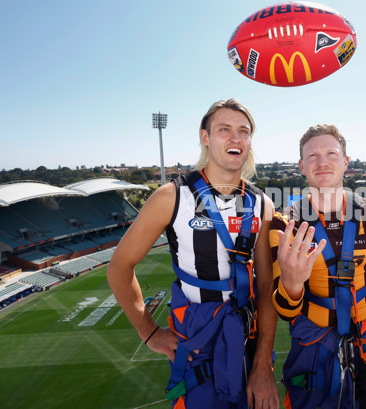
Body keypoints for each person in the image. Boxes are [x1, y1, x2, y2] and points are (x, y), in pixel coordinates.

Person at [107, 98, 279, 409]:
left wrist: (264, 365)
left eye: (244, 131)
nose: (235, 138)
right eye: (224, 129)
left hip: (246, 339)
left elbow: (266, 288)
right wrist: (149, 332)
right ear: (206, 137)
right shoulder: (171, 197)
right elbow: (119, 266)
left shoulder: (262, 203)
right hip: (197, 339)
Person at [270, 124, 366, 409]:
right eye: (312, 156)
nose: (322, 161)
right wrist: (293, 284)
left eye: (331, 153)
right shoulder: (284, 221)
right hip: (312, 351)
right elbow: (285, 312)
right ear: (301, 166)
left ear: (346, 162)